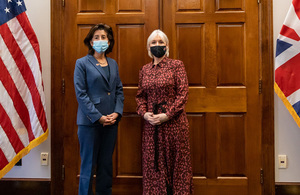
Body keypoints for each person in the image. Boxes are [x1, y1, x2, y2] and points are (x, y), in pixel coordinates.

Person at [136, 29, 193, 194]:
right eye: (153, 42)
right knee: (153, 166)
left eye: (161, 42)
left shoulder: (176, 65)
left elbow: (183, 94)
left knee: (178, 166)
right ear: (148, 47)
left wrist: (167, 115)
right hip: (151, 126)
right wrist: (145, 114)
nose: (157, 45)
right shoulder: (144, 70)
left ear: (167, 46)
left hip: (174, 124)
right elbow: (140, 97)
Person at [74, 23, 124, 195]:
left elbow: (118, 90)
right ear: (90, 41)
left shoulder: (113, 63)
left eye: (104, 37)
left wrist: (117, 113)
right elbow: (81, 95)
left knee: (106, 165)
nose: (100, 40)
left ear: (109, 42)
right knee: (88, 166)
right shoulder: (82, 63)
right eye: (96, 37)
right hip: (90, 124)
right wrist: (99, 117)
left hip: (111, 123)